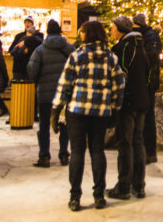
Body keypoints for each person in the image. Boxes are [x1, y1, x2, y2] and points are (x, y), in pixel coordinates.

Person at [52, 20, 125, 212]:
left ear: (88, 34)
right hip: (100, 111)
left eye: (82, 32)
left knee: (77, 151)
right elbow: (119, 85)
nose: (80, 35)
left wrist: (55, 109)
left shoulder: (77, 55)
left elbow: (65, 84)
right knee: (97, 150)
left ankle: (75, 196)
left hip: (77, 110)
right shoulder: (111, 57)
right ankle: (99, 195)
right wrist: (115, 108)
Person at [107, 16, 149, 200]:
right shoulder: (141, 46)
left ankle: (124, 185)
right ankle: (139, 185)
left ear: (121, 29)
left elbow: (120, 75)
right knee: (138, 141)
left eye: (113, 28)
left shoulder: (123, 48)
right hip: (142, 100)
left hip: (128, 101)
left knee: (125, 142)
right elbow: (148, 72)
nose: (111, 31)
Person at [28, 18, 75, 167]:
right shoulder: (70, 49)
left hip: (45, 94)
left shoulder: (40, 50)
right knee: (64, 124)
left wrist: (37, 81)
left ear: (47, 32)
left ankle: (44, 156)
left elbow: (32, 70)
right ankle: (64, 154)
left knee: (44, 126)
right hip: (65, 94)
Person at [132, 12, 162, 163]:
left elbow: (152, 56)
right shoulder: (147, 35)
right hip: (145, 80)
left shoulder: (147, 36)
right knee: (145, 115)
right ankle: (144, 150)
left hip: (148, 80)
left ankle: (149, 151)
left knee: (147, 115)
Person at [8, 17, 44, 82]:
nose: (27, 24)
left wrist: (26, 44)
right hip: (19, 67)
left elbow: (40, 44)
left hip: (31, 67)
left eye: (29, 22)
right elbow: (11, 50)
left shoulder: (39, 36)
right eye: (26, 22)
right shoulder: (19, 36)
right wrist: (20, 51)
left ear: (32, 24)